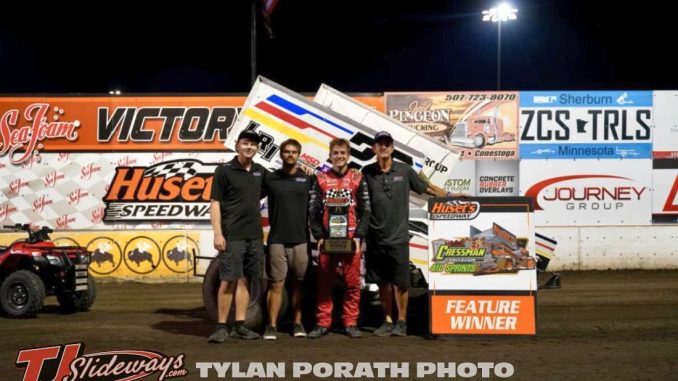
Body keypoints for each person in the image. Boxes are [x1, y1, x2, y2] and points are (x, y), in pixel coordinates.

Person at [362, 131, 449, 337]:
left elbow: (427, 188)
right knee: (382, 283)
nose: (383, 147)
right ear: (373, 148)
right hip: (375, 239)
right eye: (379, 144)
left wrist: (451, 196)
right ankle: (387, 320)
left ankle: (401, 321)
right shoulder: (366, 172)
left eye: (387, 144)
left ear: (392, 148)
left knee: (401, 283)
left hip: (399, 238)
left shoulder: (405, 170)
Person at [207, 130, 268, 342]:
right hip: (232, 236)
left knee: (246, 281)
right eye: (246, 143)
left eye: (253, 144)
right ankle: (221, 326)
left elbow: (280, 183)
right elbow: (215, 204)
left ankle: (240, 326)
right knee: (228, 280)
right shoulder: (223, 171)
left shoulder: (261, 171)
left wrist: (301, 171)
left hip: (254, 236)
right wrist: (218, 234)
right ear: (237, 146)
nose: (250, 147)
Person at [307, 138, 371, 339]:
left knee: (352, 284)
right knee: (324, 283)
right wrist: (318, 236)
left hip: (351, 240)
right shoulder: (321, 178)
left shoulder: (358, 178)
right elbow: (313, 211)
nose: (339, 156)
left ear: (348, 155)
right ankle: (323, 322)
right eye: (336, 153)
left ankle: (350, 322)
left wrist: (359, 236)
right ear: (330, 155)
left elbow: (366, 211)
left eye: (343, 153)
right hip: (328, 240)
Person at [261, 139, 314, 340]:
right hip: (277, 240)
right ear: (281, 154)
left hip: (301, 240)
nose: (290, 155)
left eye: (294, 152)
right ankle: (271, 326)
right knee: (276, 285)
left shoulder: (308, 179)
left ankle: (298, 323)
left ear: (299, 155)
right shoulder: (270, 179)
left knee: (299, 285)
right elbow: (249, 197)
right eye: (287, 151)